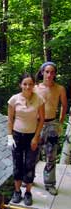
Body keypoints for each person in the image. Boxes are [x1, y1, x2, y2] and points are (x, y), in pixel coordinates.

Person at [7, 73, 45, 206]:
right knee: (17, 164)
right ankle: (17, 192)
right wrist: (10, 137)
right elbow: (10, 119)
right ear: (20, 85)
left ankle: (28, 192)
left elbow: (41, 120)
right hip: (17, 136)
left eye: (30, 84)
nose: (27, 86)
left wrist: (36, 137)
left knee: (29, 165)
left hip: (32, 137)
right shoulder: (14, 99)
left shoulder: (39, 100)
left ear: (34, 85)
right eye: (25, 84)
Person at [34, 61, 67, 195]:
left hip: (52, 124)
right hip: (36, 124)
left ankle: (49, 183)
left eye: (52, 72)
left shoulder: (60, 89)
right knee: (33, 153)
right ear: (42, 72)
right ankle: (28, 179)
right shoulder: (35, 88)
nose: (49, 75)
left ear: (55, 74)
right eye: (47, 72)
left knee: (51, 155)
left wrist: (60, 122)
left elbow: (64, 105)